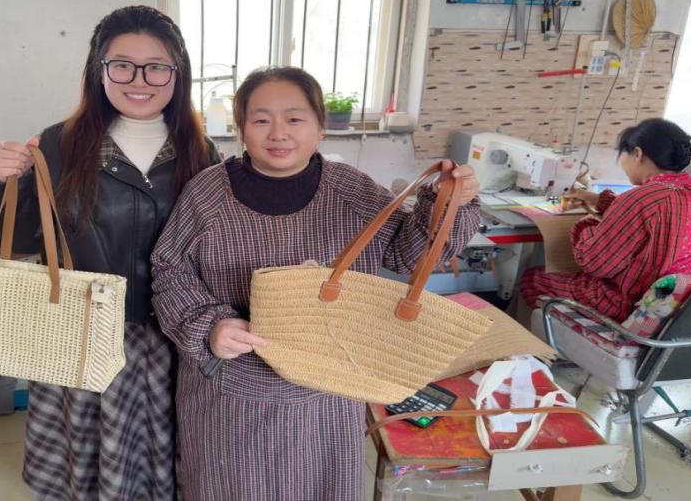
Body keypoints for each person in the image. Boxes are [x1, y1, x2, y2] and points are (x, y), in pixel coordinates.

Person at [150, 66, 480, 500]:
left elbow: (409, 254)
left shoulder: (351, 191)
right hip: (230, 395)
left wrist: (450, 202)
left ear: (321, 128)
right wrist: (209, 326)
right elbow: (169, 270)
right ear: (241, 128)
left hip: (327, 393)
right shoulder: (207, 194)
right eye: (261, 119)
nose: (278, 133)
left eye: (295, 118)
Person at [0, 5, 217, 500]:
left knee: (168, 467)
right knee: (91, 470)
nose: (140, 80)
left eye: (156, 66)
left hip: (171, 338)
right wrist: (5, 181)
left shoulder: (201, 151)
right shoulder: (59, 145)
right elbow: (18, 240)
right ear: (99, 70)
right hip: (81, 335)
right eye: (122, 65)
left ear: (177, 73)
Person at [521, 118, 691, 320]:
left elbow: (594, 262)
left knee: (533, 279)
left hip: (628, 305)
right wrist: (598, 200)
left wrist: (588, 220)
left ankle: (532, 339)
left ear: (637, 154)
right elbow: (661, 217)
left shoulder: (642, 199)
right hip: (688, 312)